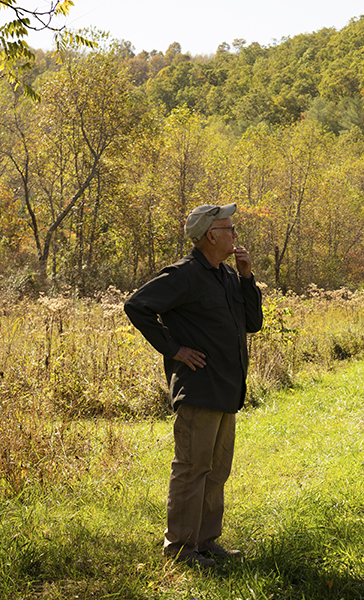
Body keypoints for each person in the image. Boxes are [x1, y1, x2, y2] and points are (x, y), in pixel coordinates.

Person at [124, 203, 264, 569]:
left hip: (226, 387)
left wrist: (247, 277)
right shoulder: (184, 275)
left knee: (217, 470)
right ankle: (181, 548)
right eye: (229, 228)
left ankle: (205, 541)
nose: (235, 234)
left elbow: (252, 323)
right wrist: (174, 349)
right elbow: (137, 306)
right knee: (192, 466)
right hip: (199, 387)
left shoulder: (228, 275)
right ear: (210, 235)